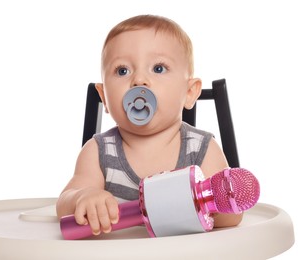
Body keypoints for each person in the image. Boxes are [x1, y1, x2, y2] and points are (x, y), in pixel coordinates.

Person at [56, 14, 243, 236]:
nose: (139, 80)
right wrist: (82, 198)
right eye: (122, 70)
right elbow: (63, 205)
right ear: (104, 96)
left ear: (190, 92)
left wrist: (208, 203)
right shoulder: (99, 152)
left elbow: (232, 214)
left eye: (158, 68)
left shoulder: (201, 149)